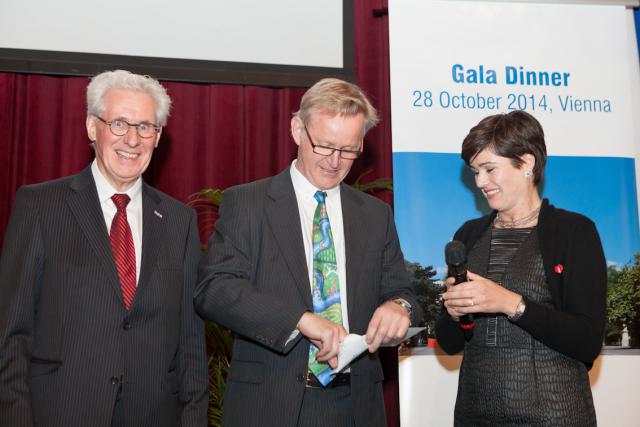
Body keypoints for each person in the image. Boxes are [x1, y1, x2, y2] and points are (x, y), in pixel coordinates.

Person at [194, 78, 421, 427]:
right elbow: (215, 289)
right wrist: (299, 320)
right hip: (270, 404)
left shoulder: (376, 216)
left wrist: (398, 307)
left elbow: (403, 293)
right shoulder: (249, 203)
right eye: (325, 146)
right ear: (298, 130)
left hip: (357, 404)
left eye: (348, 150)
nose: (335, 161)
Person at [0, 70, 208, 426]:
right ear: (91, 128)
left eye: (145, 126)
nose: (132, 138)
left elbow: (191, 348)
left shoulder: (179, 221)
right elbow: (11, 336)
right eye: (119, 123)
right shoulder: (40, 206)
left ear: (158, 138)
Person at [435, 110, 606, 426]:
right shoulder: (468, 235)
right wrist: (454, 313)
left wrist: (511, 304)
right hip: (474, 415)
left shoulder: (573, 232)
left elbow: (587, 341)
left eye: (489, 169)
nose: (480, 182)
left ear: (526, 163)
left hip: (555, 416)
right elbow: (449, 342)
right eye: (475, 172)